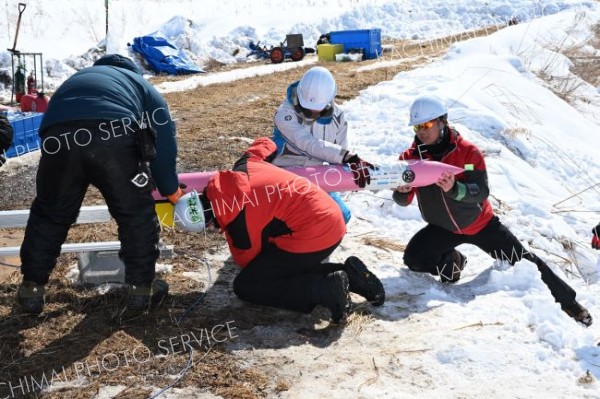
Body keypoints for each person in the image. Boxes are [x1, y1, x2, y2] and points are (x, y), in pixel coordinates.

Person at [392, 94, 592, 326]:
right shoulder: (410, 159)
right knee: (414, 259)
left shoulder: (468, 152)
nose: (422, 132)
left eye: (426, 125)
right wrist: (403, 190)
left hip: (481, 225)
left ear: (442, 122)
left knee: (526, 261)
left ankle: (570, 305)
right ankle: (452, 261)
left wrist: (455, 189)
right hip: (442, 228)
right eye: (417, 127)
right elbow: (401, 201)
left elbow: (482, 191)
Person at [17, 54, 184, 314]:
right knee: (135, 213)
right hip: (112, 135)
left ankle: (31, 289)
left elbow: (52, 122)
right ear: (132, 71)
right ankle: (141, 290)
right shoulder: (139, 84)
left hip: (58, 140)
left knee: (49, 214)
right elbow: (164, 140)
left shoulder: (77, 79)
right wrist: (170, 189)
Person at [175, 137, 385, 323]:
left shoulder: (240, 228)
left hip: (315, 233)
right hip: (330, 212)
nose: (212, 229)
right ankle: (351, 276)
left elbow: (248, 263)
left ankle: (323, 291)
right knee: (281, 258)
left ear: (208, 219)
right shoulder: (243, 167)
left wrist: (230, 231)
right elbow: (266, 144)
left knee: (249, 284)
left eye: (208, 226)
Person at [271, 66, 374, 223]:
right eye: (306, 109)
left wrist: (350, 173)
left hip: (317, 178)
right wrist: (346, 157)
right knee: (293, 219)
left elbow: (340, 155)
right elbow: (307, 143)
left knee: (341, 216)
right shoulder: (284, 113)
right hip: (284, 178)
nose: (311, 114)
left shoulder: (338, 117)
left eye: (316, 110)